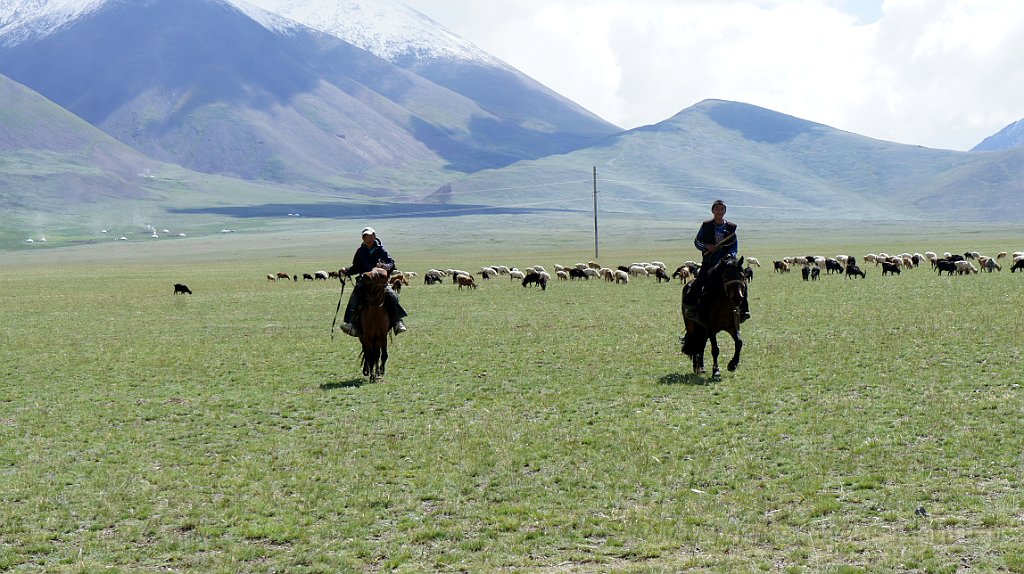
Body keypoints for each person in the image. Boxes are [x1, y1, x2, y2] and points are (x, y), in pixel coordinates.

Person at [682, 199, 751, 323]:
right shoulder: (706, 226)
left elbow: (734, 245)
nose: (719, 211)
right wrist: (706, 247)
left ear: (725, 211)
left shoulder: (731, 227)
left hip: (726, 264)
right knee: (699, 282)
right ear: (712, 210)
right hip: (710, 262)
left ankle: (744, 310)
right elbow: (697, 242)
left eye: (722, 209)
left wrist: (730, 255)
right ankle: (691, 308)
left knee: (740, 282)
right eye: (717, 208)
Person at [338, 227, 408, 337]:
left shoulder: (381, 250)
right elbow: (356, 267)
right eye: (366, 237)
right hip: (365, 281)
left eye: (370, 237)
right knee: (354, 296)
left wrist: (384, 266)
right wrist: (347, 271)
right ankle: (351, 324)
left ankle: (397, 322)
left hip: (379, 281)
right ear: (363, 239)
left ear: (374, 237)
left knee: (391, 295)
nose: (368, 239)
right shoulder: (360, 251)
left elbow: (391, 263)